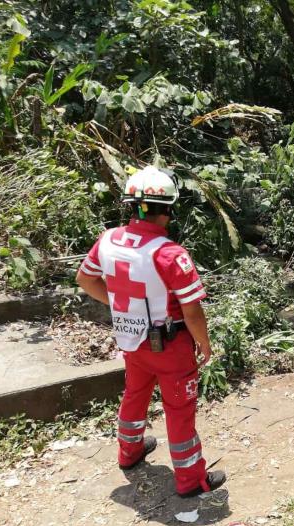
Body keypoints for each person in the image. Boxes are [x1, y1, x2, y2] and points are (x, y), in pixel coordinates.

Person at [76, 165, 225, 497]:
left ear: (132, 205)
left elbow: (85, 279)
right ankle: (190, 480)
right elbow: (192, 310)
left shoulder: (108, 240)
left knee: (135, 393)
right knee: (179, 410)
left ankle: (129, 452)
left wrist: (118, 305)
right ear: (168, 209)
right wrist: (204, 343)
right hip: (170, 347)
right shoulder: (171, 255)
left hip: (132, 340)